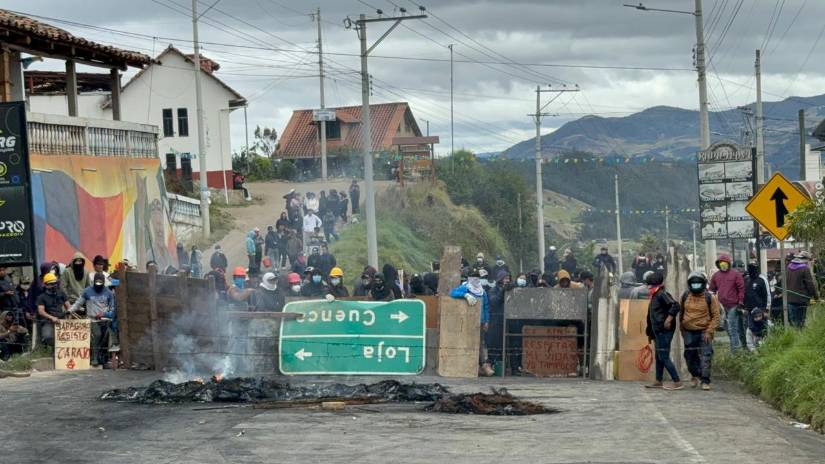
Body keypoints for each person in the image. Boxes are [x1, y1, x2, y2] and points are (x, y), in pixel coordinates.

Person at [679, 272, 720, 390]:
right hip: (688, 331)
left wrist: (709, 331)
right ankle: (695, 375)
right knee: (689, 356)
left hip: (704, 331)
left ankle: (705, 380)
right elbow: (681, 314)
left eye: (698, 284)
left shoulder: (710, 297)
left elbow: (716, 317)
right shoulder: (685, 295)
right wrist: (682, 329)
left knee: (705, 356)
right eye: (693, 284)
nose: (695, 286)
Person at [449, 270, 493, 376]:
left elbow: (486, 306)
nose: (476, 279)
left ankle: (484, 365)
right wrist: (465, 295)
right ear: (469, 278)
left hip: (481, 321)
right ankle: (472, 366)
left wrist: (486, 321)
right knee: (468, 343)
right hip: (468, 321)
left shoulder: (482, 291)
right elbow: (452, 293)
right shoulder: (465, 287)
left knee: (481, 343)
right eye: (473, 277)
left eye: (477, 277)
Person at [644, 271, 682, 390]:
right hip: (657, 331)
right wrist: (650, 333)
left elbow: (675, 306)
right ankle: (658, 380)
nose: (649, 288)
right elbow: (652, 317)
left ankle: (677, 381)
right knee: (659, 356)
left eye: (650, 285)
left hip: (664, 331)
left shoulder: (661, 294)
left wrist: (669, 319)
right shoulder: (655, 295)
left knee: (664, 356)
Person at [69, 273, 115, 367]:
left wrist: (108, 314)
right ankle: (94, 357)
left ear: (103, 282)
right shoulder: (87, 291)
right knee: (97, 335)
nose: (98, 284)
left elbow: (112, 307)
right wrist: (70, 311)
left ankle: (103, 359)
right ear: (94, 281)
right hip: (92, 319)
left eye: (100, 282)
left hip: (105, 319)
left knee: (105, 339)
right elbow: (78, 303)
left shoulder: (108, 292)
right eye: (97, 282)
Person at [709, 254, 745, 352]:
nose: (723, 265)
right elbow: (712, 290)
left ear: (729, 263)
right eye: (721, 263)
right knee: (728, 329)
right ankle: (736, 346)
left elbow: (741, 289)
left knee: (732, 328)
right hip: (721, 307)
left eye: (725, 263)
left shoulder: (736, 275)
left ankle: (735, 352)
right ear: (718, 264)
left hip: (734, 305)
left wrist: (740, 302)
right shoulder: (715, 276)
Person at [36, 273, 70, 347]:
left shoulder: (61, 293)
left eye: (55, 283)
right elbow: (41, 311)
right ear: (45, 285)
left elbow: (68, 306)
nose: (54, 285)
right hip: (48, 321)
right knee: (48, 336)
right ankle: (55, 348)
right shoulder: (41, 297)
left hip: (62, 319)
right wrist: (52, 318)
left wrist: (69, 315)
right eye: (51, 284)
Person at [786, 250, 819, 328]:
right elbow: (810, 285)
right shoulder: (804, 268)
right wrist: (816, 297)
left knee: (793, 322)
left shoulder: (788, 267)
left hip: (790, 299)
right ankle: (800, 337)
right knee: (800, 322)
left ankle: (794, 337)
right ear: (806, 259)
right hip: (801, 300)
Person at [743, 262, 769, 350]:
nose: (752, 271)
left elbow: (765, 295)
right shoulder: (746, 280)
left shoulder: (761, 280)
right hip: (749, 309)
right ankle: (752, 347)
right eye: (750, 268)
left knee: (762, 327)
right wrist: (745, 307)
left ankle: (763, 346)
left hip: (759, 309)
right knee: (750, 328)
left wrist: (765, 310)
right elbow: (745, 295)